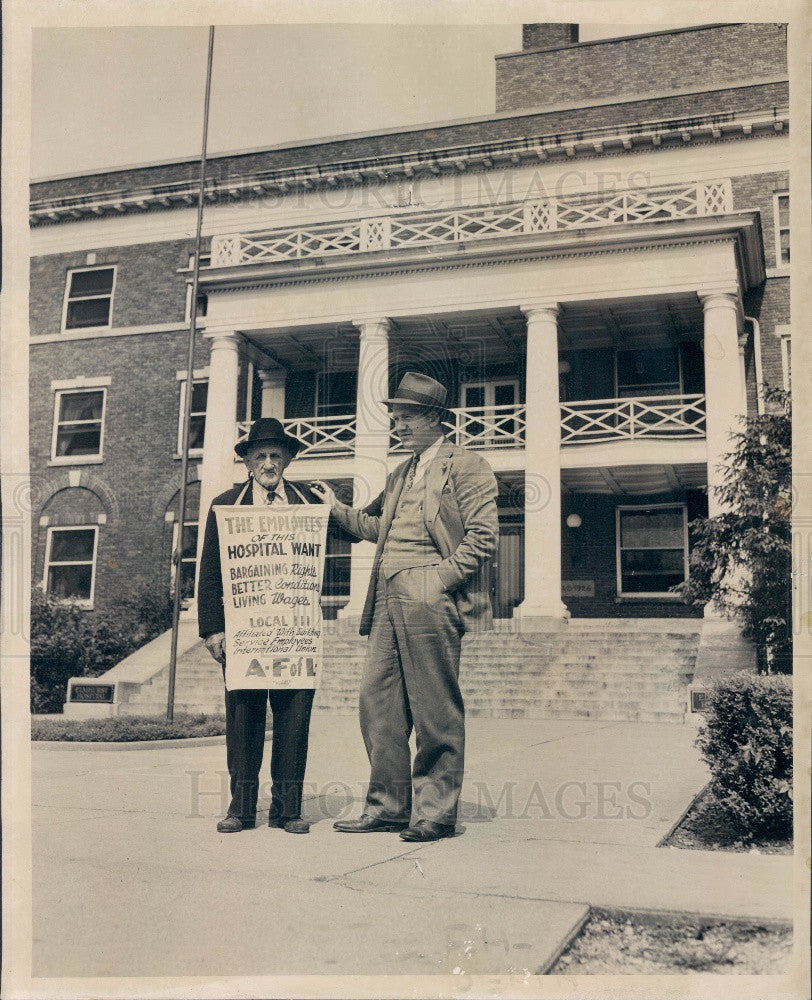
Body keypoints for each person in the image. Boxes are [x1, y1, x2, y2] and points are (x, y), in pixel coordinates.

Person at [311, 372, 499, 842]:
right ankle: (389, 807)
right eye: (394, 415)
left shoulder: (467, 465)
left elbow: (484, 537)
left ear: (435, 418)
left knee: (435, 709)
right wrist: (335, 509)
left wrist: (436, 581)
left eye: (407, 415)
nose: (397, 423)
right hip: (386, 596)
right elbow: (378, 528)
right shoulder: (401, 473)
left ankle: (435, 812)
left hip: (429, 597)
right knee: (377, 706)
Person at [198, 417, 322, 835]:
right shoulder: (226, 505)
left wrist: (337, 507)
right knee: (244, 719)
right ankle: (241, 809)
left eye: (275, 455)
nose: (269, 463)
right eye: (260, 456)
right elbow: (209, 571)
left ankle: (288, 811)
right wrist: (213, 629)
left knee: (293, 719)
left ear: (287, 459)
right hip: (245, 630)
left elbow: (350, 532)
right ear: (248, 462)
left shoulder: (309, 503)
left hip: (294, 630)